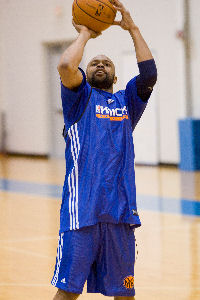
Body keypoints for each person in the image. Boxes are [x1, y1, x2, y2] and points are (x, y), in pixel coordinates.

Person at [51, 0, 157, 299]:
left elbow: (149, 75)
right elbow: (64, 65)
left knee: (124, 293)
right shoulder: (78, 99)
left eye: (107, 63)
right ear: (86, 72)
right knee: (68, 293)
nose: (100, 65)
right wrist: (85, 32)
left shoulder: (127, 103)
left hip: (121, 214)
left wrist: (132, 27)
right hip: (81, 213)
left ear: (115, 76)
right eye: (94, 62)